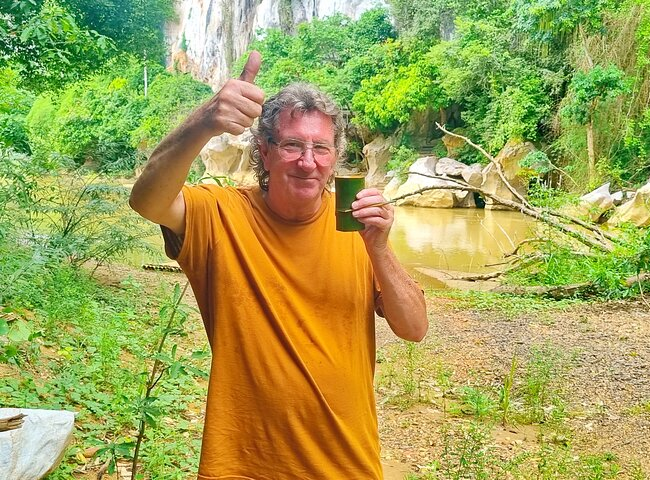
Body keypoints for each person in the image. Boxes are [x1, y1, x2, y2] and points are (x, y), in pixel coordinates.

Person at [129, 51, 428, 479]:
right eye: (292, 145)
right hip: (244, 464)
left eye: (321, 148)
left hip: (346, 463)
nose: (308, 162)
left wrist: (380, 248)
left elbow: (414, 328)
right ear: (264, 153)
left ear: (334, 158)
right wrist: (207, 119)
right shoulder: (221, 215)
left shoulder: (357, 227)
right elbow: (147, 200)